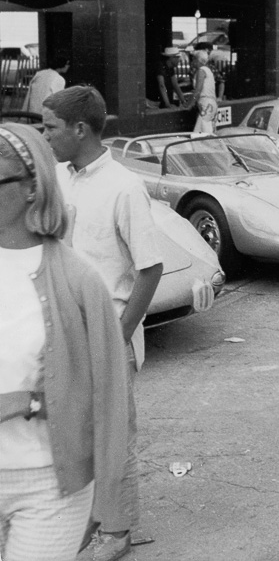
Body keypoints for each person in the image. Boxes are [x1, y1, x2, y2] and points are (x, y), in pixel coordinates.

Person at [41, 86, 163, 561]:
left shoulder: (124, 186)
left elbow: (150, 268)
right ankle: (79, 520)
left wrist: (119, 336)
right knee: (70, 432)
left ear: (80, 129)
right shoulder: (55, 177)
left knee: (113, 435)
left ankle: (118, 530)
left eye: (50, 127)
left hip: (107, 334)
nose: (44, 135)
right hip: (60, 335)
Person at [0, 123, 128, 561]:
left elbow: (109, 399)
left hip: (48, 485)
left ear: (32, 187)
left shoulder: (77, 280)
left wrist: (29, 402)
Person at [190, 50, 218, 134]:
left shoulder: (201, 71)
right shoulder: (208, 70)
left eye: (193, 59)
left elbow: (198, 90)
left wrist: (189, 104)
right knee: (206, 131)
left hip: (206, 104)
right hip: (211, 104)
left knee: (203, 133)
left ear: (197, 60)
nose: (192, 61)